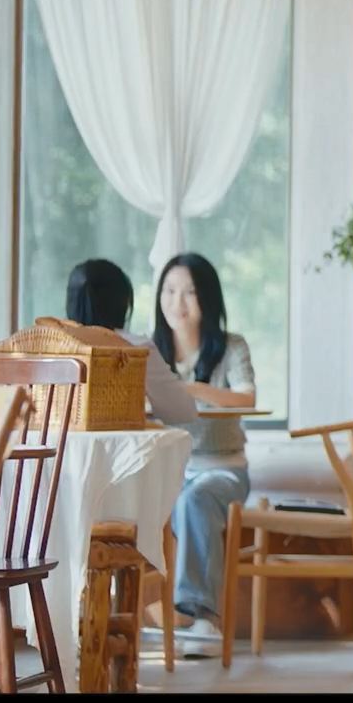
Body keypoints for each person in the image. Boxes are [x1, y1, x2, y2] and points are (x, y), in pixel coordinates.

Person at [152, 253, 259, 651]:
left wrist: (193, 390)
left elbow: (247, 398)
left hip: (223, 469)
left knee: (194, 499)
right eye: (169, 291)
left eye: (190, 292)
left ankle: (202, 618)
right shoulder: (151, 352)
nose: (177, 302)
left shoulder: (232, 347)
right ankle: (122, 611)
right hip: (167, 471)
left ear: (208, 298)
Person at [63, 258, 196, 427]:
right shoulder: (135, 348)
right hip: (119, 443)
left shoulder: (49, 346)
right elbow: (182, 412)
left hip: (54, 444)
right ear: (123, 302)